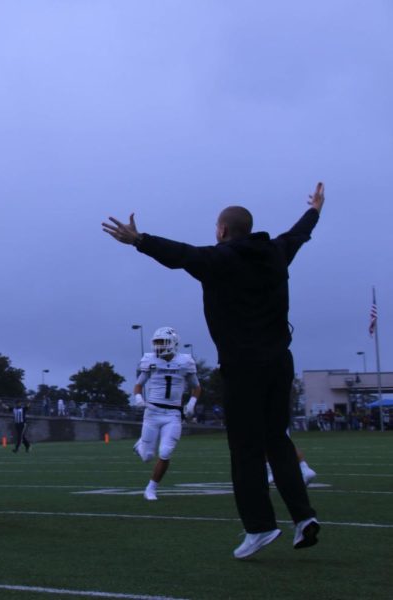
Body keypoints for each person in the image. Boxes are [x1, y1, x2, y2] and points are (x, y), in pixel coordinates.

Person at [103, 181, 324, 559]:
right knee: (278, 441)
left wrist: (139, 240)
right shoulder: (275, 252)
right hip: (279, 363)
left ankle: (259, 527)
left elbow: (180, 254)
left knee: (245, 449)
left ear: (222, 230)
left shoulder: (221, 259)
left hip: (243, 365)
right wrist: (315, 209)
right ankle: (304, 518)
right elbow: (299, 233)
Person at [129, 327, 201, 501]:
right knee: (147, 457)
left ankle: (151, 488)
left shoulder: (185, 362)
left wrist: (191, 404)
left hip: (173, 415)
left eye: (163, 342)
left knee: (166, 451)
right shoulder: (149, 360)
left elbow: (196, 387)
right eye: (157, 342)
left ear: (174, 343)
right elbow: (138, 385)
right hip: (152, 413)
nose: (159, 346)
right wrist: (138, 397)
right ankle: (140, 446)